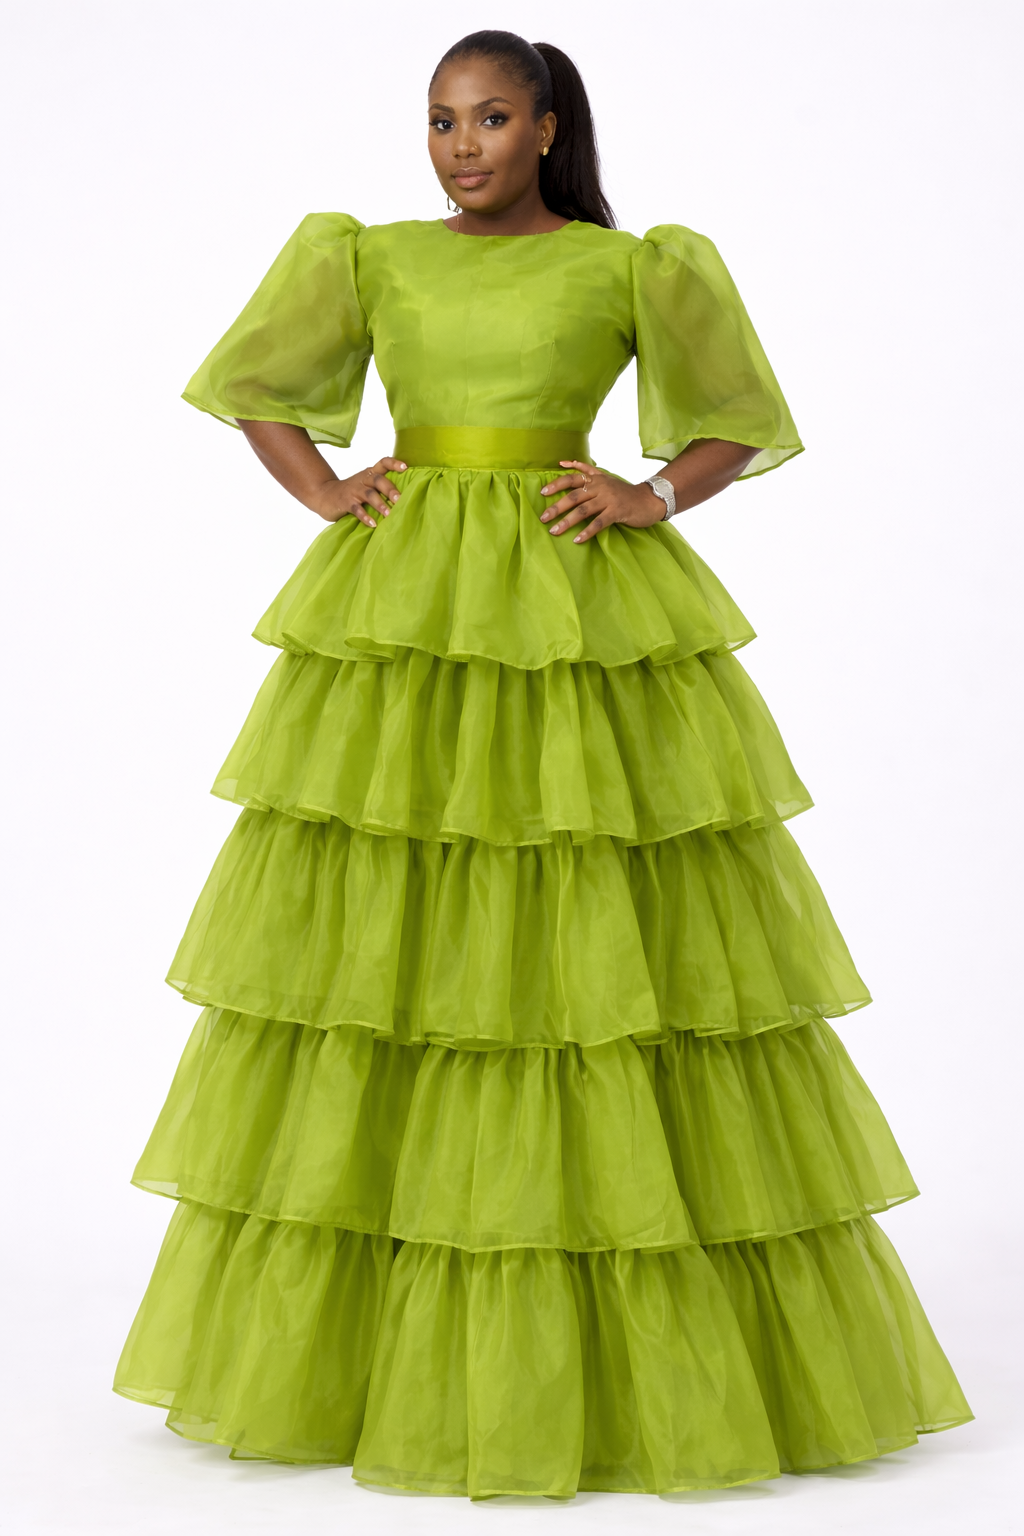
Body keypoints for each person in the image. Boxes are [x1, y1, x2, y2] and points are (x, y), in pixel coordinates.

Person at [114, 29, 971, 1498]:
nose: (463, 147)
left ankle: (622, 1323)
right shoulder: (371, 255)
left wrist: (651, 497)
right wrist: (323, 486)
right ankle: (370, 1349)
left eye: (493, 118)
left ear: (549, 126)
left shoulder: (627, 266)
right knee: (396, 917)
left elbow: (739, 418)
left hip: (578, 610)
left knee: (595, 921)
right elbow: (255, 381)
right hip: (409, 612)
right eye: (442, 120)